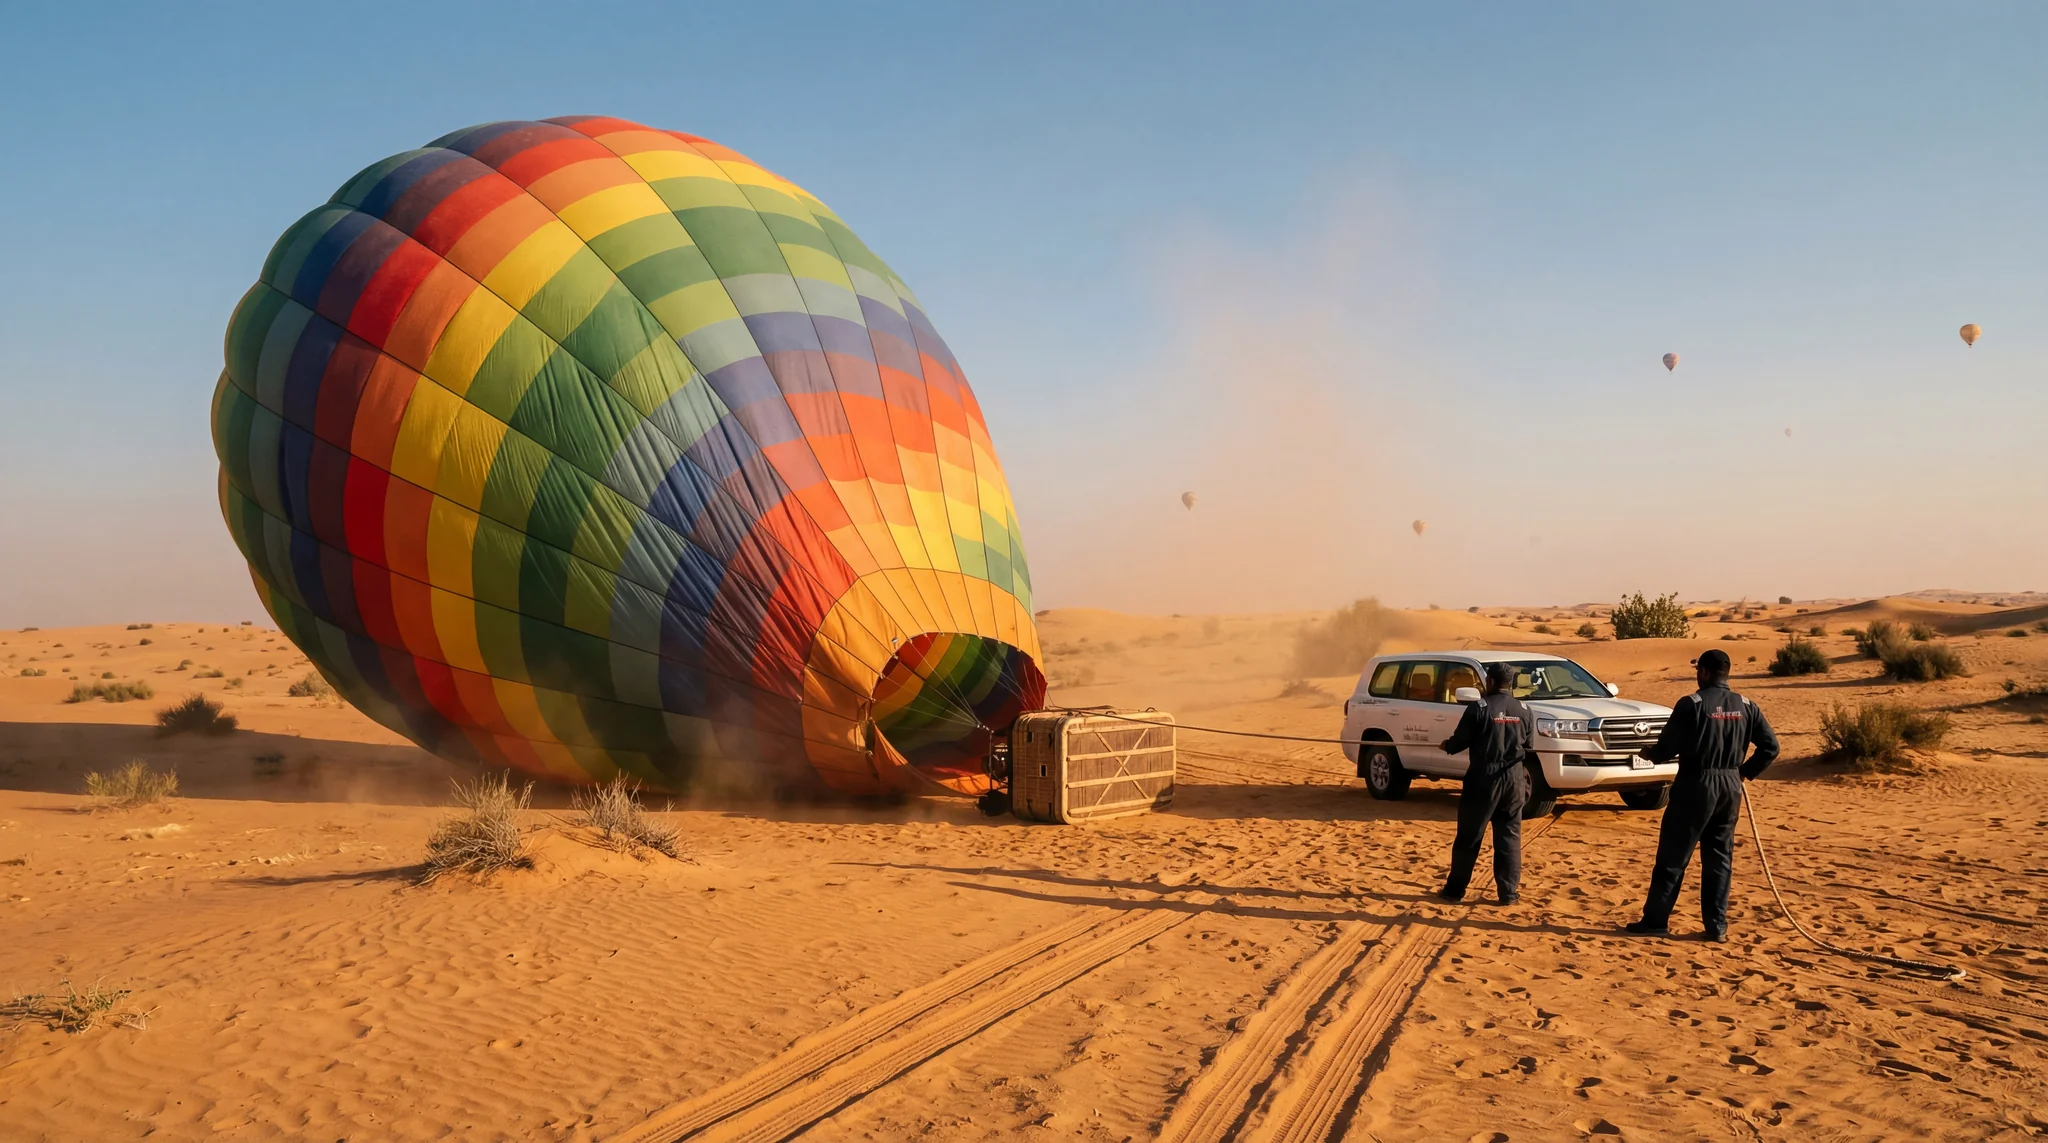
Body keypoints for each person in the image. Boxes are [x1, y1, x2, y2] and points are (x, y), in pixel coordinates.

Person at [1626, 648, 1781, 941]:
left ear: (1706, 672)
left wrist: (1648, 753)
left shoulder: (1691, 704)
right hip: (1730, 786)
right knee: (1719, 859)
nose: (1697, 675)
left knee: (1673, 856)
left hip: (1696, 784)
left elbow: (1665, 749)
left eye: (1699, 670)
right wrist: (1744, 772)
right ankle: (1717, 927)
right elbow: (1770, 747)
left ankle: (1656, 921)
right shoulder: (1747, 705)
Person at [1437, 662, 1534, 905]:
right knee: (1509, 837)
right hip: (1514, 778)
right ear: (1509, 684)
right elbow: (1528, 745)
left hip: (1484, 778)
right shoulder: (1524, 709)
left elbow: (1459, 742)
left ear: (1490, 682)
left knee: (1469, 836)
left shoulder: (1478, 707)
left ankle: (1454, 891)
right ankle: (1508, 894)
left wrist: (1447, 745)